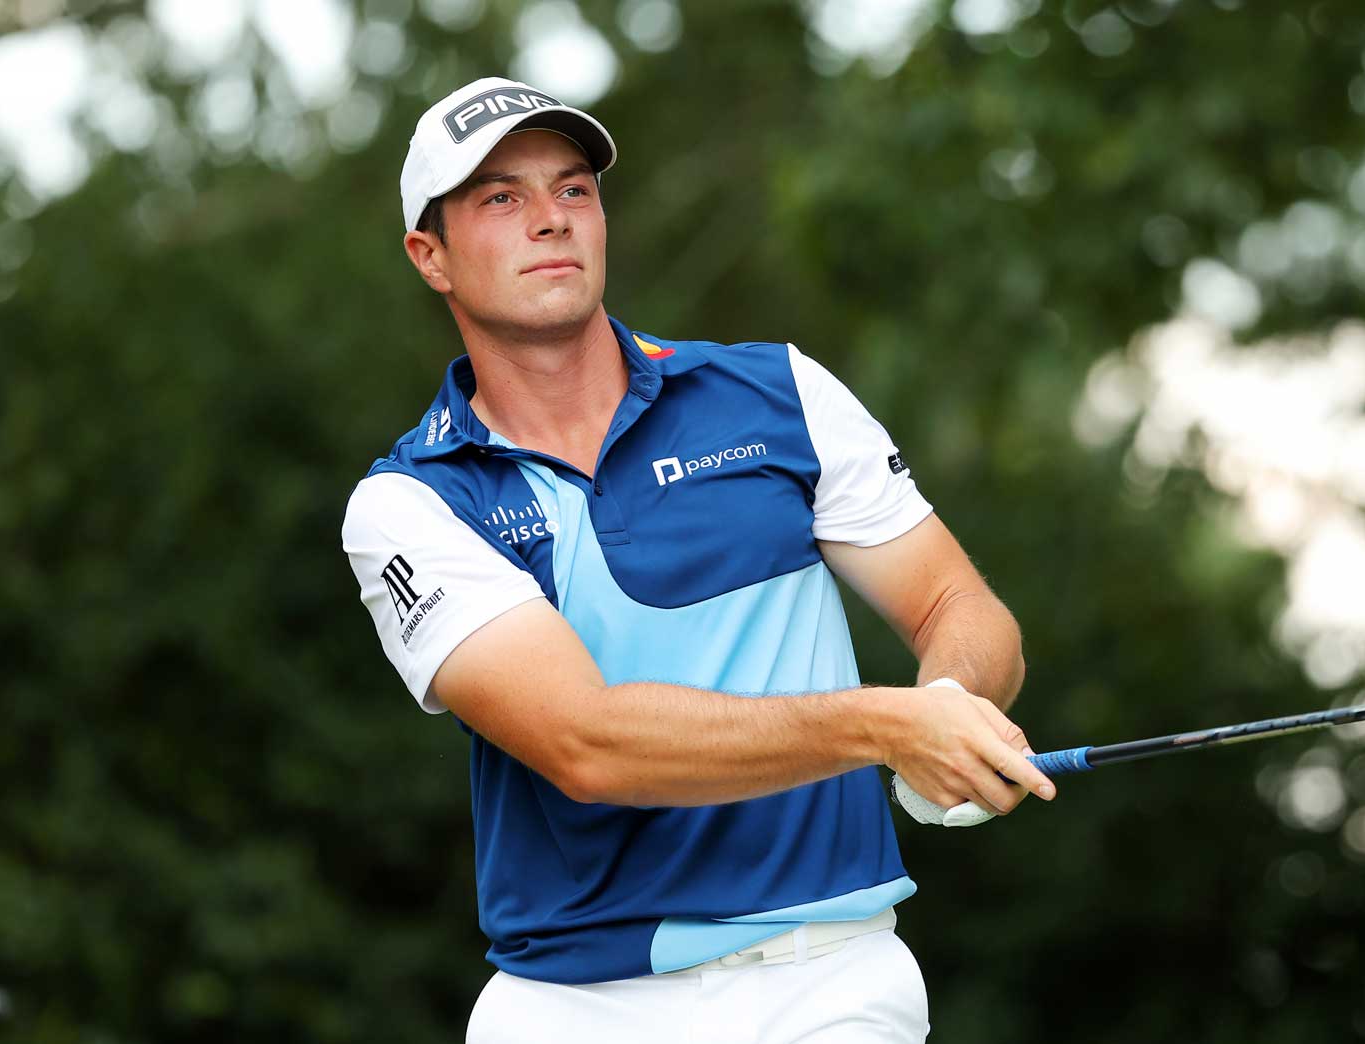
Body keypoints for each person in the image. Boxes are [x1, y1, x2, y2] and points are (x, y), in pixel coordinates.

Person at [340, 76, 1056, 1042]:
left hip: (832, 978)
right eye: (501, 198)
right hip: (576, 1008)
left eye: (574, 190)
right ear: (431, 256)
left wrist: (951, 707)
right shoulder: (412, 504)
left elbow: (955, 606)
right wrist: (890, 725)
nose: (550, 220)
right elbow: (587, 746)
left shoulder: (778, 392)